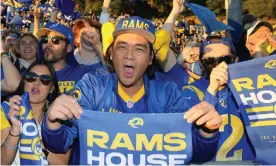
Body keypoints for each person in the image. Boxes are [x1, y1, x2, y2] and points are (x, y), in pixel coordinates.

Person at [41, 16, 222, 164]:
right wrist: (53, 122)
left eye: (139, 49)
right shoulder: (92, 86)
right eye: (122, 47)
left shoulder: (167, 92)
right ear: (111, 54)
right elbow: (59, 143)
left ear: (151, 58)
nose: (129, 55)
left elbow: (194, 153)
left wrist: (207, 132)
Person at [183, 36, 255, 161]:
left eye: (225, 59)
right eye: (209, 61)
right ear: (201, 64)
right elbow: (191, 135)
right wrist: (212, 90)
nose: (217, 66)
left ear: (236, 60)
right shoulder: (190, 91)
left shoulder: (250, 89)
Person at [0, 61, 71, 165]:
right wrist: (15, 129)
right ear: (24, 82)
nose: (37, 82)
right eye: (31, 77)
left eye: (45, 80)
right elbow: (3, 161)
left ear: (51, 88)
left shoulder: (61, 118)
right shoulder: (6, 109)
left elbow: (61, 163)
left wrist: (32, 137)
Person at [36, 22, 103, 93]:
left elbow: (109, 78)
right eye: (45, 40)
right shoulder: (33, 75)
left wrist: (97, 45)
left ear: (68, 48)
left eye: (55, 40)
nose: (48, 45)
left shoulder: (83, 74)